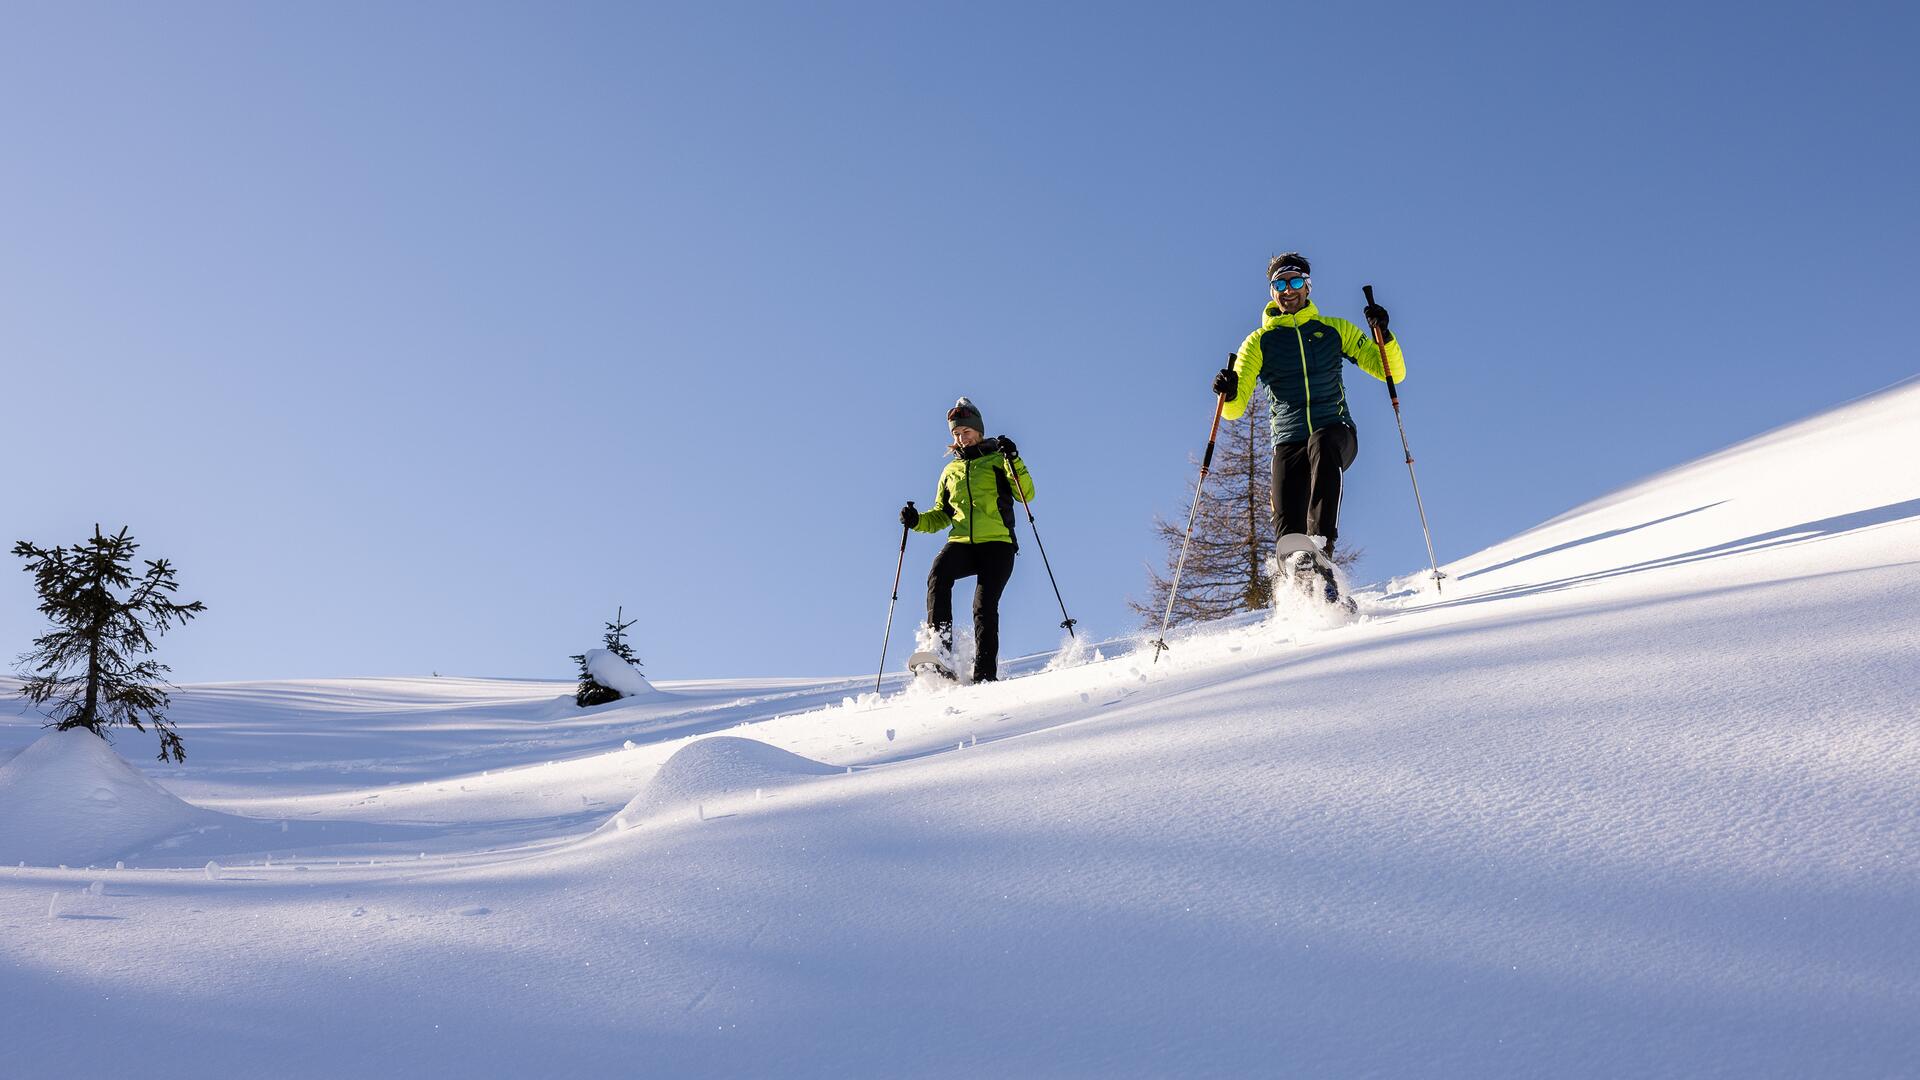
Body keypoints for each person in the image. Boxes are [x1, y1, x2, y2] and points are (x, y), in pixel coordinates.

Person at [1211, 252, 1406, 571]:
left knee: (1322, 442)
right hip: (1288, 442)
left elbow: (1391, 372)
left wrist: (1384, 334)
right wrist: (1228, 389)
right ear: (1273, 291)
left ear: (1308, 287)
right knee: (1288, 530)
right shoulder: (1259, 342)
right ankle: (1305, 589)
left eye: (1296, 281)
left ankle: (1320, 542)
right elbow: (1233, 410)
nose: (1289, 289)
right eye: (1281, 283)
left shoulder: (1334, 330)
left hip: (1336, 433)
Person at [897, 397, 1033, 682]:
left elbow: (1025, 495)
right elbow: (941, 515)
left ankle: (984, 675)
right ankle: (940, 651)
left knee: (983, 607)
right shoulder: (950, 471)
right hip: (962, 543)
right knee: (938, 572)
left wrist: (1014, 459)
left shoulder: (999, 459)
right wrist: (916, 520)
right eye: (956, 434)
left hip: (998, 544)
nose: (961, 438)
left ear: (979, 431)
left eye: (966, 432)